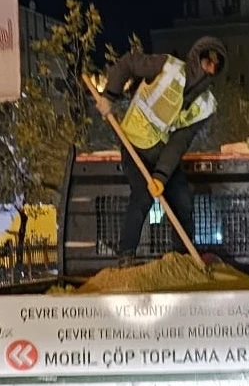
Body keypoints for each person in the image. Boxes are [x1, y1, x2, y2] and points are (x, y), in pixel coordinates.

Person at [97, 37, 227, 265]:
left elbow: (180, 141)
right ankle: (126, 256)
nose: (210, 69)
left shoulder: (205, 105)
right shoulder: (167, 67)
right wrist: (110, 95)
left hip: (162, 153)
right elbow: (128, 63)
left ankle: (181, 260)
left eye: (216, 67)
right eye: (208, 62)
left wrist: (161, 175)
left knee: (183, 201)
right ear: (197, 56)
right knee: (142, 196)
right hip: (134, 143)